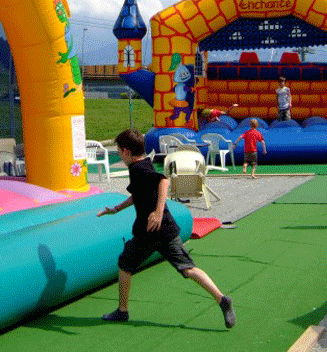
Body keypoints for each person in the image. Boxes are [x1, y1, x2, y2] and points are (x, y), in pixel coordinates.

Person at [97, 128, 236, 328]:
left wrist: (158, 212)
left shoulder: (138, 169)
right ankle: (221, 299)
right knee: (187, 269)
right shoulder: (143, 164)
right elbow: (140, 192)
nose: (119, 154)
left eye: (119, 151)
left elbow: (163, 182)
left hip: (151, 231)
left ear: (126, 151)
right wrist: (116, 209)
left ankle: (122, 311)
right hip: (164, 231)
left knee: (125, 263)